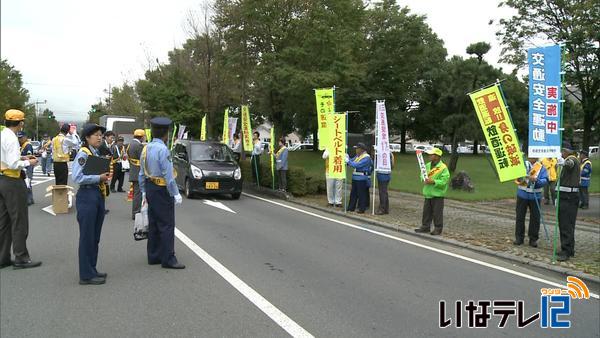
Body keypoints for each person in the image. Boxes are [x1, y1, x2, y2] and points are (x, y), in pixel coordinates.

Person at [139, 117, 185, 269]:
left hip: (150, 187)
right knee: (166, 224)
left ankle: (153, 255)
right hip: (161, 189)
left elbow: (141, 173)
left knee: (154, 223)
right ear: (166, 134)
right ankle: (168, 258)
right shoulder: (163, 150)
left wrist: (144, 191)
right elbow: (168, 175)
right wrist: (175, 193)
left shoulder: (146, 148)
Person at [0, 109, 42, 269]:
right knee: (19, 220)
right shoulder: (11, 138)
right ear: (20, 123)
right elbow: (13, 163)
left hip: (2, 178)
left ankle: (2, 257)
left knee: (3, 221)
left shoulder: (2, 134)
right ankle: (21, 257)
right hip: (12, 180)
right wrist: (28, 162)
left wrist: (21, 157)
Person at [71, 123, 111, 285]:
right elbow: (77, 177)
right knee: (87, 236)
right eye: (95, 134)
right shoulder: (83, 153)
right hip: (87, 194)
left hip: (96, 194)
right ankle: (86, 275)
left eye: (101, 134)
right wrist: (98, 178)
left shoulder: (95, 152)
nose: (99, 137)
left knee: (94, 236)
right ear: (87, 137)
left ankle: (92, 269)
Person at [513, 157, 548, 247]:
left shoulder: (541, 167)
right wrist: (522, 179)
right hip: (522, 195)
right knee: (520, 217)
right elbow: (516, 178)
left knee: (535, 218)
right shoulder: (522, 165)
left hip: (535, 196)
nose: (532, 158)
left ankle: (533, 239)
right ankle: (519, 238)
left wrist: (537, 181)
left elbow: (545, 180)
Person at [414, 148, 450, 235]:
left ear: (437, 156)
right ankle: (425, 226)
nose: (430, 156)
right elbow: (422, 174)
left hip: (437, 194)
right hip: (428, 192)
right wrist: (424, 179)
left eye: (432, 154)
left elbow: (445, 181)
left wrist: (434, 182)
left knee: (437, 212)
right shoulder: (427, 165)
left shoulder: (443, 168)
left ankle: (438, 228)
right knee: (426, 211)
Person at [556, 142, 580, 262]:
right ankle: (569, 248)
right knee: (567, 224)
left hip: (568, 197)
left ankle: (566, 251)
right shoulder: (572, 158)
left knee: (566, 224)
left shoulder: (572, 159)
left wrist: (563, 162)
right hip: (567, 196)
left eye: (562, 151)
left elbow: (570, 164)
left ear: (566, 151)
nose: (561, 153)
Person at [346, 143, 373, 214]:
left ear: (361, 149)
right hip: (355, 177)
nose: (356, 150)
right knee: (353, 194)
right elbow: (351, 161)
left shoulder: (366, 158)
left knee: (361, 194)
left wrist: (348, 161)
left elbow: (357, 165)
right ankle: (351, 207)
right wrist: (347, 159)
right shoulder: (358, 156)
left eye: (357, 148)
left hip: (361, 178)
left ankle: (362, 208)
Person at [127, 129, 145, 220]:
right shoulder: (139, 145)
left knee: (136, 193)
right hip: (138, 172)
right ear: (141, 137)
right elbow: (143, 159)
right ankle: (136, 213)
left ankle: (136, 212)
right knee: (138, 194)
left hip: (133, 171)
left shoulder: (130, 144)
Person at [17, 131, 35, 205]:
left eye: (21, 137)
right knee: (26, 183)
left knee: (27, 182)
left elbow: (29, 156)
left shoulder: (28, 145)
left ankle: (29, 200)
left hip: (28, 166)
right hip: (24, 166)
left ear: (25, 137)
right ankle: (30, 199)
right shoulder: (21, 145)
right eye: (18, 138)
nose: (19, 139)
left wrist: (22, 159)